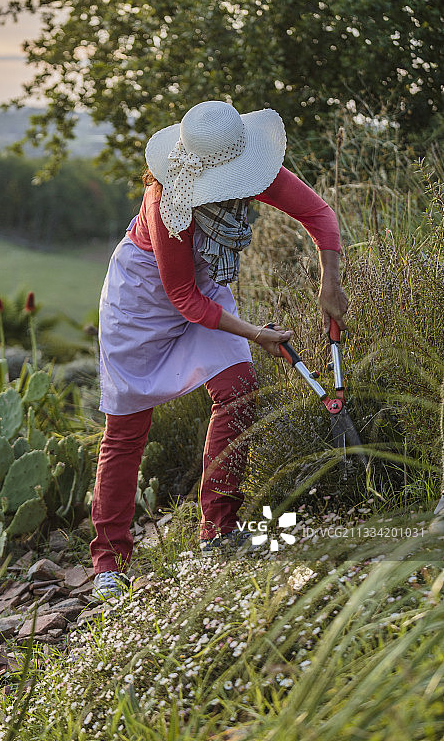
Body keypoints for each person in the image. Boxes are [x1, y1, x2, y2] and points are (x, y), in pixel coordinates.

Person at [90, 100, 348, 601]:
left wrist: (330, 283)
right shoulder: (168, 200)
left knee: (238, 390)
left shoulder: (248, 166)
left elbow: (318, 213)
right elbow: (183, 298)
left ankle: (219, 532)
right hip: (140, 300)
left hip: (203, 289)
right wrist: (256, 334)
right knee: (125, 430)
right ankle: (109, 562)